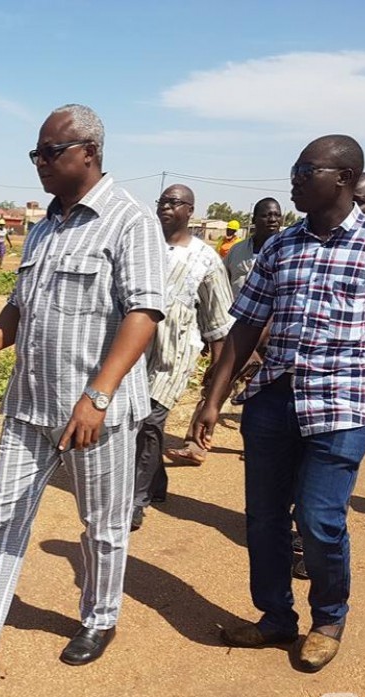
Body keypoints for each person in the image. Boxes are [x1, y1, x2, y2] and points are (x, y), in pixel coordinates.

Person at [0, 104, 165, 692]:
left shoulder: (130, 221)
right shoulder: (45, 225)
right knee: (1, 520)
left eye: (51, 152)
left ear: (89, 152)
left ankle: (100, 617)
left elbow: (144, 313)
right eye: (36, 153)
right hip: (30, 404)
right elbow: (21, 305)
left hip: (95, 412)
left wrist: (97, 396)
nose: (40, 163)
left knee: (102, 524)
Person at [193, 135, 365, 672]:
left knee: (322, 520)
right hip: (274, 399)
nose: (295, 179)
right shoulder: (281, 247)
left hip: (345, 404)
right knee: (264, 519)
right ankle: (276, 618)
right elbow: (245, 327)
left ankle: (328, 618)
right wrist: (213, 398)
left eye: (306, 170)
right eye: (295, 169)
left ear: (344, 178)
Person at [130, 184, 232, 531]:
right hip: (133, 351)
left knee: (149, 420)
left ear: (190, 210)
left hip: (173, 355)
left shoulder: (206, 259)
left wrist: (218, 377)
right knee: (136, 422)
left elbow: (219, 323)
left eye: (174, 202)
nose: (165, 207)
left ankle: (135, 501)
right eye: (162, 201)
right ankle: (155, 482)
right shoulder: (141, 247)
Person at [165, 197, 283, 467]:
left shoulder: (285, 251)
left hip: (271, 337)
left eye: (277, 215)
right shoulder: (238, 252)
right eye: (267, 215)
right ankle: (196, 444)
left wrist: (260, 338)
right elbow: (220, 290)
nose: (273, 219)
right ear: (254, 220)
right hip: (238, 333)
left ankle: (259, 447)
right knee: (215, 384)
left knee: (261, 396)